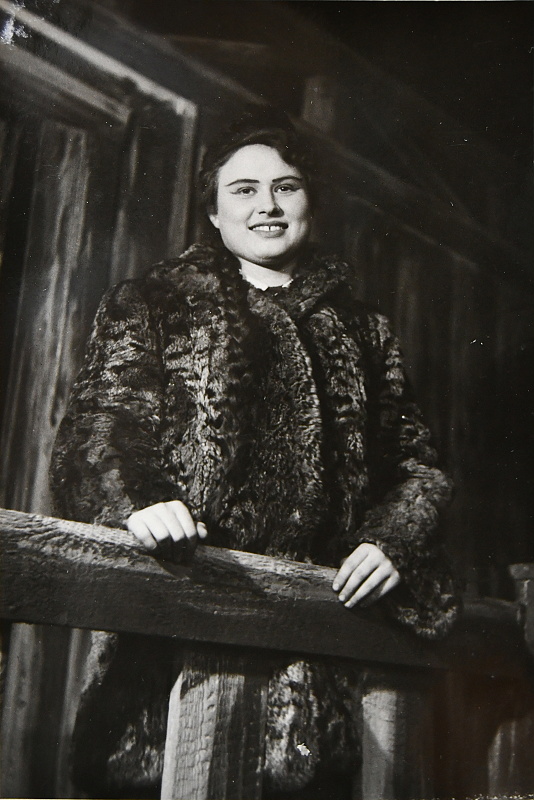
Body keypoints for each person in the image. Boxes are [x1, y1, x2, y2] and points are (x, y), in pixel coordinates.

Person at [51, 106, 459, 799]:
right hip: (175, 648)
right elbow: (96, 431)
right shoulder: (153, 302)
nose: (267, 205)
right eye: (244, 190)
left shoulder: (365, 330)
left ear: (309, 204)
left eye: (286, 187)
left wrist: (394, 539)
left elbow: (416, 467)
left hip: (317, 663)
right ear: (214, 212)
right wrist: (138, 502)